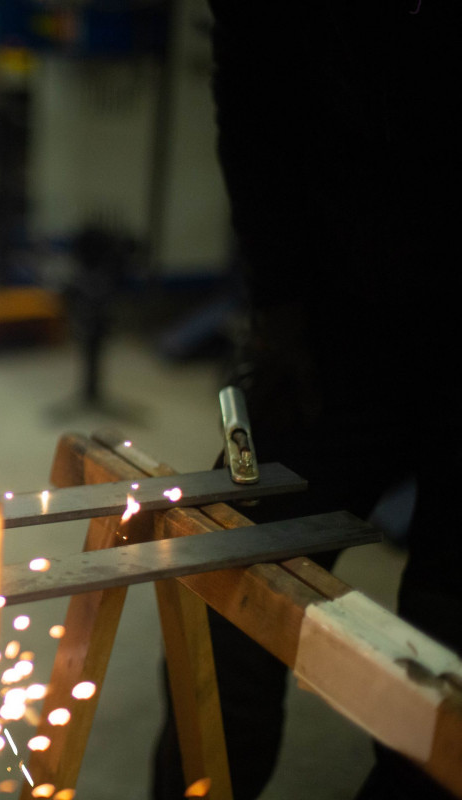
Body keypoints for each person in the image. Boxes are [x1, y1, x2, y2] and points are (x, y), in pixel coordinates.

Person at [152, 2, 461, 798]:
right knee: (227, 578)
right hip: (338, 325)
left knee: (446, 655)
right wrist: (279, 300)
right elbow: (252, 105)